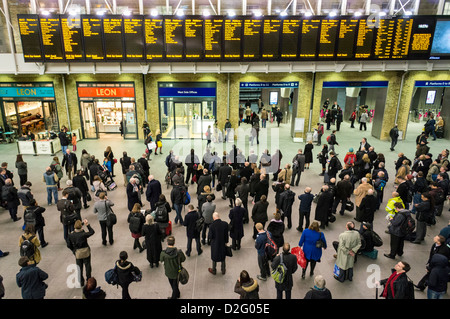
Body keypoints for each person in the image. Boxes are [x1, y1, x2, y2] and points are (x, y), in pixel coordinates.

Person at [66, 219, 95, 287]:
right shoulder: (83, 234)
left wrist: (74, 250)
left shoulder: (71, 235)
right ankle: (88, 280)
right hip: (86, 252)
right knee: (88, 266)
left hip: (78, 253)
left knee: (79, 268)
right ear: (81, 227)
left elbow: (68, 245)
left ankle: (81, 281)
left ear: (74, 227)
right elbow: (92, 232)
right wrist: (87, 225)